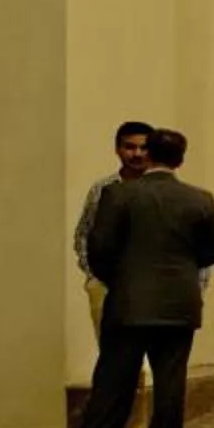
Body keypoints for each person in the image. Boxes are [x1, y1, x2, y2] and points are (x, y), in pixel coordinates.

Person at [57, 128, 214, 428]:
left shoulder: (119, 195)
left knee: (113, 381)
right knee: (170, 381)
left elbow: (98, 249)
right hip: (179, 303)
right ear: (180, 159)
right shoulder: (200, 199)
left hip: (129, 303)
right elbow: (213, 251)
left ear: (148, 156)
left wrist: (121, 280)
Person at [73, 121, 155, 335]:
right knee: (111, 353)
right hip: (107, 282)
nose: (137, 154)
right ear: (117, 149)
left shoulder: (163, 190)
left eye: (144, 147)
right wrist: (92, 275)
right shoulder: (103, 189)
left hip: (151, 282)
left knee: (148, 356)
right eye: (129, 147)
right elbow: (85, 231)